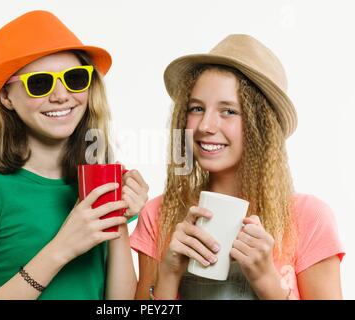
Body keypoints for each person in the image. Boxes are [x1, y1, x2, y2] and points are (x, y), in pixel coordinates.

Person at [0, 10, 149, 300]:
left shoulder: (96, 178)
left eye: (75, 79)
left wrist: (119, 220)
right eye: (40, 83)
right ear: (6, 97)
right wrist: (62, 247)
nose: (61, 95)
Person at [130, 34, 344, 300]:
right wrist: (169, 274)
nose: (205, 126)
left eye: (228, 111)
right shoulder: (158, 215)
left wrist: (267, 282)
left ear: (261, 127)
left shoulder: (309, 218)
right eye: (196, 108)